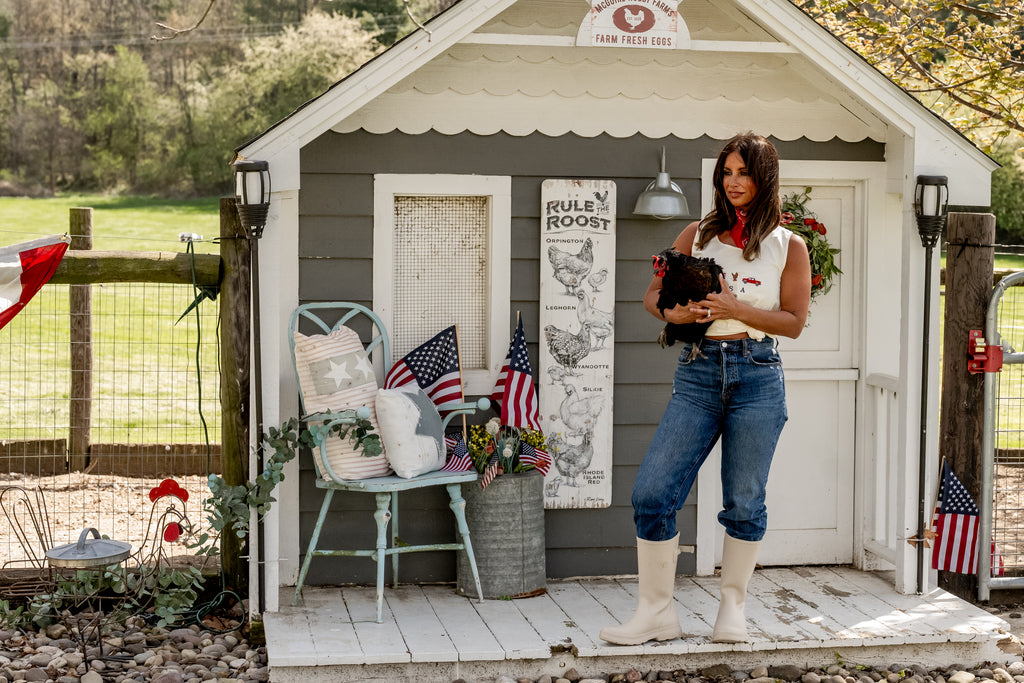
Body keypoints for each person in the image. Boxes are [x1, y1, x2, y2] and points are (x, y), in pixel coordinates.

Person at [600, 133, 812, 645]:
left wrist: (736, 308)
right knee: (652, 493)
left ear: (765, 178)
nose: (734, 182)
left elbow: (793, 322)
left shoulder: (788, 246)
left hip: (757, 375)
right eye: (727, 173)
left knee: (744, 500)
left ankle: (733, 606)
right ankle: (656, 612)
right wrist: (674, 314)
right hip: (698, 372)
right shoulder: (696, 235)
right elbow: (653, 297)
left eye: (744, 172)